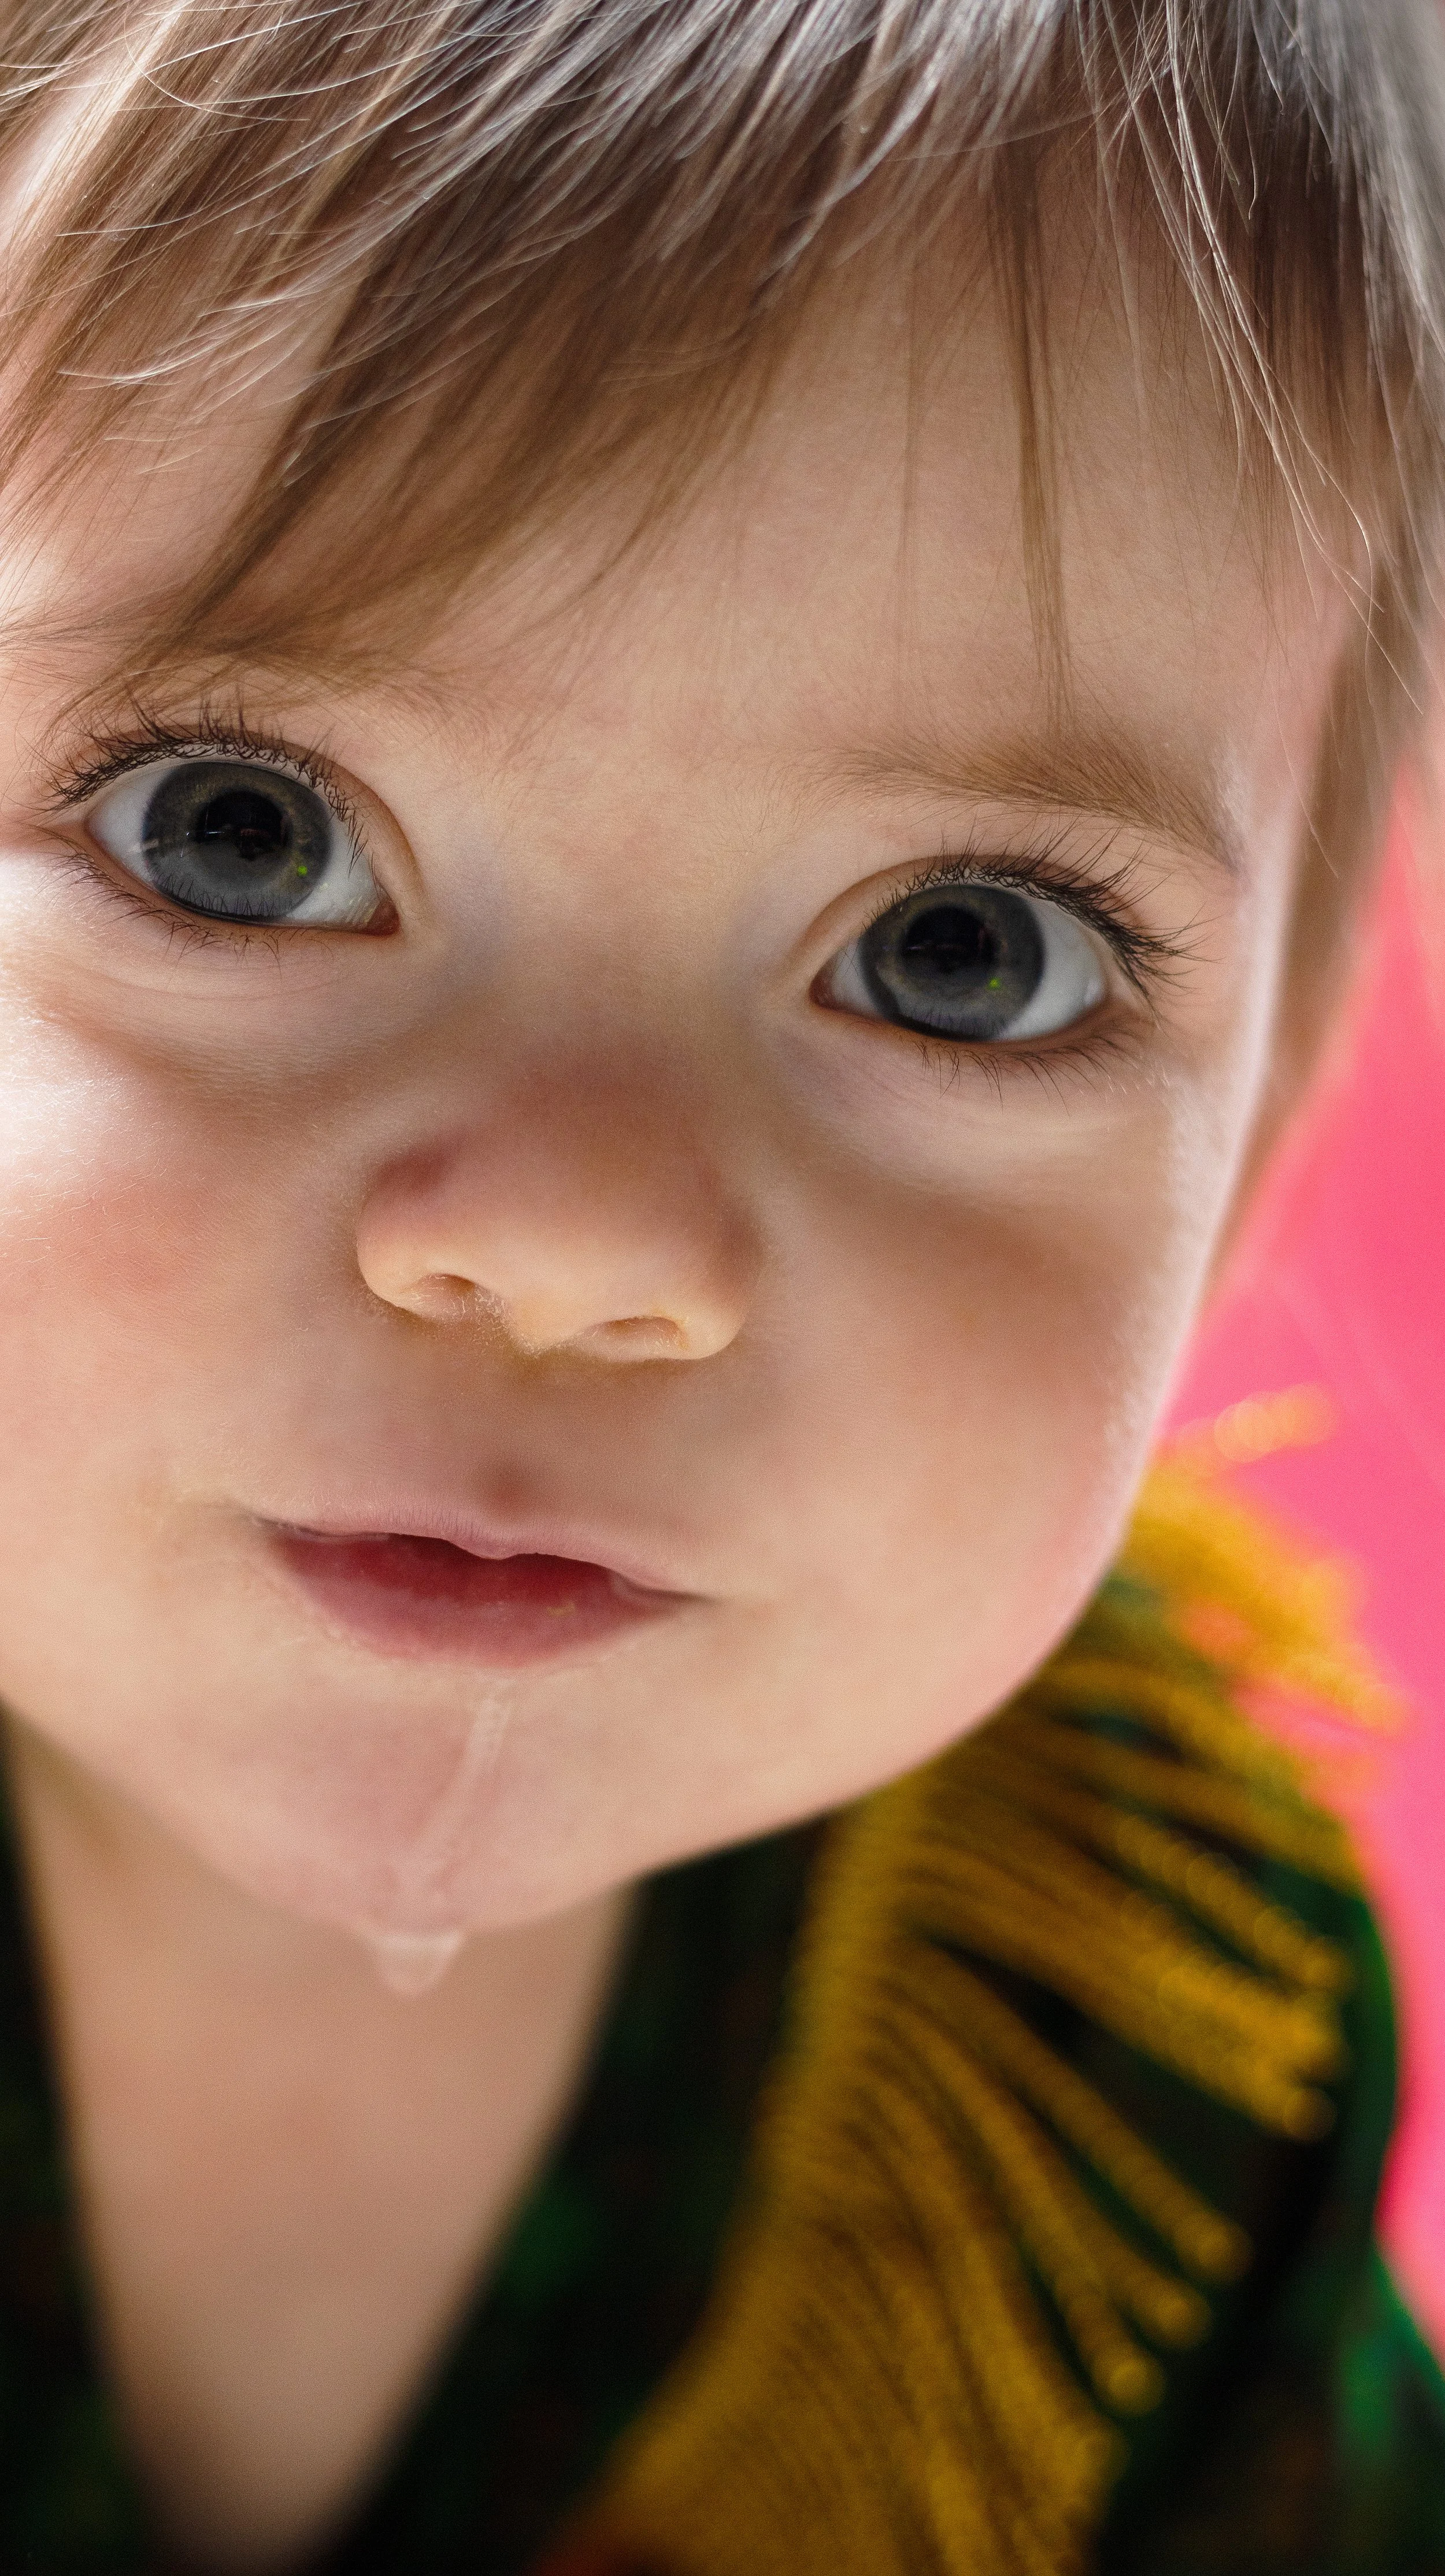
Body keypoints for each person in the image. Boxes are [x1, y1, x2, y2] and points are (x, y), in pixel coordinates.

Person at [0, 0, 1438, 2568]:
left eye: (966, 954)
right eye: (232, 833)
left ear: (1252, 1135)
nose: (577, 1256)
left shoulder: (1131, 2018)